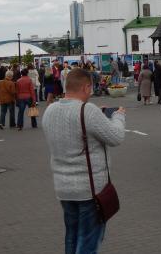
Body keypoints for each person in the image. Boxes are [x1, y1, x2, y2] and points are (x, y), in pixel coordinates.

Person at [43, 68, 126, 254]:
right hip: (89, 190)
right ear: (86, 87)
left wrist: (99, 114)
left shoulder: (50, 110)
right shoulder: (87, 111)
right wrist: (119, 115)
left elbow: (70, 128)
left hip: (64, 189)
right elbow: (116, 137)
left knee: (71, 237)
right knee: (88, 242)